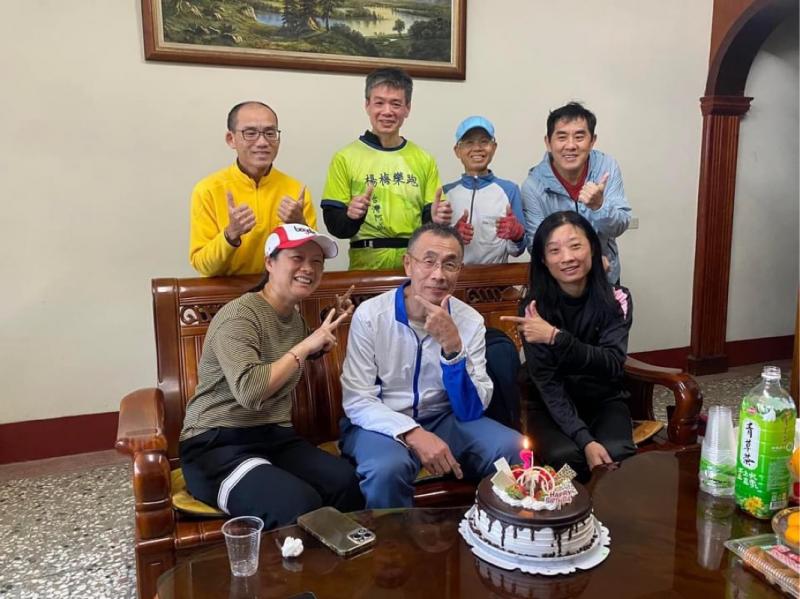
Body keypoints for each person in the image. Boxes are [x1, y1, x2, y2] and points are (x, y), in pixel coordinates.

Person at [180, 224, 363, 529]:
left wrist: (324, 329)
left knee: (345, 482)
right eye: (297, 258)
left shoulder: (292, 317)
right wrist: (307, 345)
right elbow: (251, 391)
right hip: (216, 445)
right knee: (297, 504)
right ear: (269, 262)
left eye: (317, 261)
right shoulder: (239, 316)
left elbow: (296, 351)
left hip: (274, 437)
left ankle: (342, 559)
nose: (309, 268)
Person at [339, 222, 524, 508]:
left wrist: (453, 348)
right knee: (387, 469)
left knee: (512, 449)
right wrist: (411, 432)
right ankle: (392, 539)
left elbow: (472, 409)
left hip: (445, 420)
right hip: (381, 424)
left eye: (450, 264)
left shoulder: (470, 321)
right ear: (408, 264)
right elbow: (358, 400)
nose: (438, 275)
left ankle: (495, 531)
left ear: (459, 270)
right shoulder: (371, 316)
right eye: (428, 261)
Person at [501, 211, 636, 481]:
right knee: (566, 458)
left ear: (593, 248)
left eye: (575, 246)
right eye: (555, 250)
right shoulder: (533, 309)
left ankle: (613, 509)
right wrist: (585, 440)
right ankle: (571, 511)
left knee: (617, 453)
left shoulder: (617, 298)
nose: (567, 257)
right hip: (550, 406)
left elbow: (611, 363)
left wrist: (556, 337)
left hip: (604, 400)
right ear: (543, 259)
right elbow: (547, 382)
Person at [321, 67, 443, 270]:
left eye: (396, 104)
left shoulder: (424, 159)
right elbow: (336, 227)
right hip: (365, 265)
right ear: (367, 105)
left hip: (415, 264)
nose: (387, 111)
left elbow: (430, 220)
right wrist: (351, 215)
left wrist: (437, 221)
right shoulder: (345, 157)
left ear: (407, 108)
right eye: (379, 103)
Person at [189, 101, 317, 276]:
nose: (262, 142)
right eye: (250, 133)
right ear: (231, 139)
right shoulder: (208, 190)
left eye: (270, 133)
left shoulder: (296, 190)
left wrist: (299, 225)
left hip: (279, 290)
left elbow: (313, 261)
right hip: (226, 290)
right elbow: (203, 266)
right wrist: (230, 235)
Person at [520, 102, 631, 284]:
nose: (571, 145)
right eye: (562, 137)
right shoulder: (532, 186)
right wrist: (586, 263)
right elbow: (536, 245)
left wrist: (599, 206)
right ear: (548, 142)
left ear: (592, 141)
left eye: (579, 137)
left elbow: (619, 226)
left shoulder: (606, 167)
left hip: (605, 276)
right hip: (559, 282)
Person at [440, 116, 526, 265]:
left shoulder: (510, 190)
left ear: (494, 147)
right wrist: (451, 237)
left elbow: (517, 250)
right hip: (454, 277)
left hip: (496, 277)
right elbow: (434, 248)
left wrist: (516, 235)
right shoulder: (445, 193)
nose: (477, 148)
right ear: (457, 150)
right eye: (469, 142)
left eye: (484, 141)